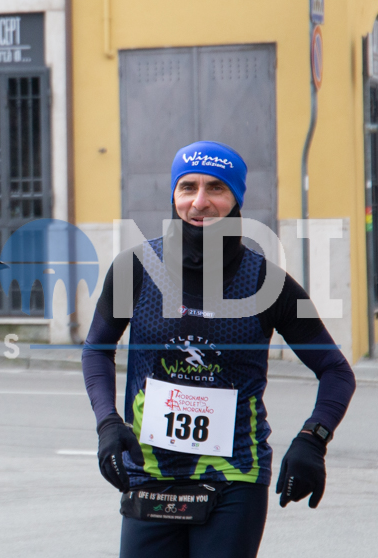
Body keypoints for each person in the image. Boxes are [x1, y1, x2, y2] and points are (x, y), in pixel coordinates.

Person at [82, 141, 356, 558]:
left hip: (235, 476)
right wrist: (107, 423)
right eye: (187, 187)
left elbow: (336, 370)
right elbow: (96, 350)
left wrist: (312, 439)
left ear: (236, 198)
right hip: (149, 472)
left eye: (216, 188)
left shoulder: (268, 284)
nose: (199, 202)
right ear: (174, 195)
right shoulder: (135, 268)